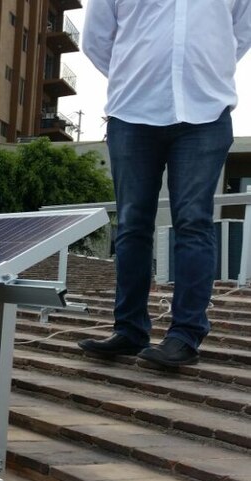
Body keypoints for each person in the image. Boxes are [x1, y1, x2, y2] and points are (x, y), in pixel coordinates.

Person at [78, 0, 250, 368]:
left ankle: (185, 335)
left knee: (193, 221)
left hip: (205, 112)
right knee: (132, 224)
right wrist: (137, 74)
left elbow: (241, 33)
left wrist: (202, 73)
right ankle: (129, 330)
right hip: (132, 110)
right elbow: (96, 39)